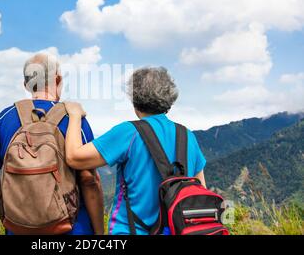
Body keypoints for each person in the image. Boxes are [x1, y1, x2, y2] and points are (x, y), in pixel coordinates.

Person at [64, 67, 206, 235]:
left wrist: (74, 115)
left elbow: (74, 158)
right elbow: (200, 189)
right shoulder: (187, 136)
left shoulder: (128, 132)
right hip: (177, 230)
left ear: (136, 100)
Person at [0, 53, 104, 235]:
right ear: (58, 79)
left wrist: (11, 204)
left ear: (26, 84)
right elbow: (89, 179)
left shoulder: (6, 116)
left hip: (19, 227)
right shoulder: (73, 117)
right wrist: (100, 232)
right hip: (71, 227)